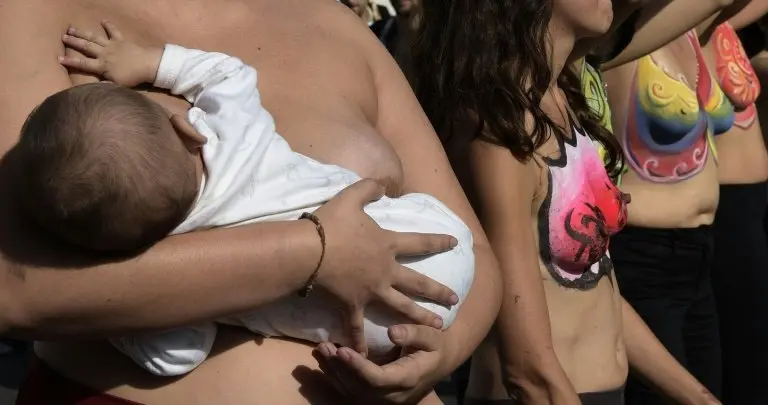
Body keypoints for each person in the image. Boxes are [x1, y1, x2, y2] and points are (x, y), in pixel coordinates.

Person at [0, 0, 502, 404]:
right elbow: (14, 285)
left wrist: (441, 352)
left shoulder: (335, 23)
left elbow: (472, 245)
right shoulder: (33, 12)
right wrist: (315, 252)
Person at [413, 0, 720, 404]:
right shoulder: (498, 128)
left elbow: (593, 288)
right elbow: (527, 369)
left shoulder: (561, 101)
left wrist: (696, 396)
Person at [599, 2, 751, 401]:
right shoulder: (611, 35)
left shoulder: (688, 30)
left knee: (710, 392)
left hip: (700, 256)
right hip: (642, 257)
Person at [697, 2, 768, 402]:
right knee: (747, 357)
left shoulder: (721, 25)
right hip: (725, 209)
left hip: (752, 201)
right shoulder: (690, 24)